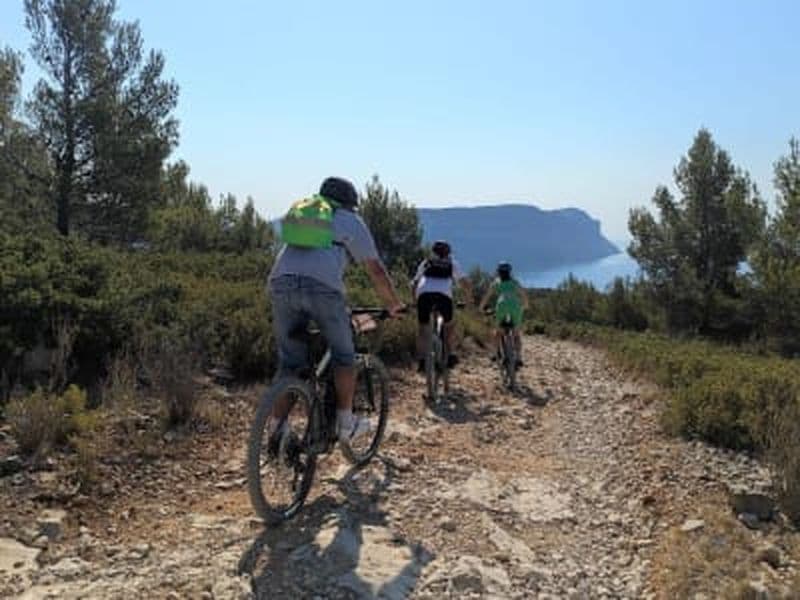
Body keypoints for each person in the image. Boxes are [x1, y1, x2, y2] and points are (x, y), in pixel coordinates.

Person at [268, 176, 405, 444]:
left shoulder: (304, 213)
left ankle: (275, 428)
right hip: (322, 288)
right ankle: (345, 423)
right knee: (344, 356)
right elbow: (375, 269)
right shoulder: (351, 221)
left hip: (280, 284)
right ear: (350, 203)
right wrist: (392, 304)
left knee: (290, 362)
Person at [412, 240, 472, 373]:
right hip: (444, 297)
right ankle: (449, 355)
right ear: (448, 252)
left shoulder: (426, 262)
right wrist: (468, 301)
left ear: (433, 251)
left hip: (424, 295)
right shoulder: (452, 263)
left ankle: (422, 361)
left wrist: (415, 301)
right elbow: (465, 283)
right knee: (449, 325)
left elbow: (415, 283)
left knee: (422, 329)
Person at [479, 261, 528, 367]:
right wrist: (525, 306)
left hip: (501, 305)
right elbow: (523, 295)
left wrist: (481, 308)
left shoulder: (496, 282)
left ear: (498, 272)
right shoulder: (515, 282)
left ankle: (494, 353)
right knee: (516, 334)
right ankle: (519, 357)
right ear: (510, 271)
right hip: (516, 305)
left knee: (497, 331)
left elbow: (487, 296)